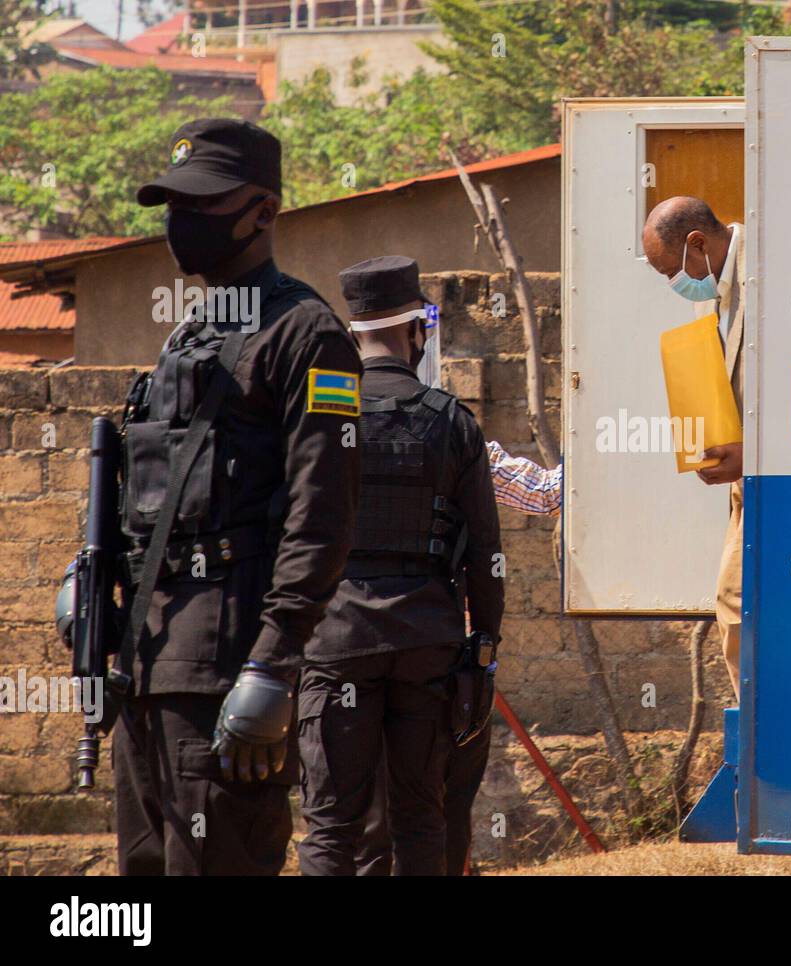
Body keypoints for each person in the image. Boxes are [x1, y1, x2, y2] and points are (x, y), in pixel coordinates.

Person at [112, 118, 362, 875]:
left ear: (264, 211)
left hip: (226, 664)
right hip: (145, 658)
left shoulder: (307, 334)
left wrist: (273, 665)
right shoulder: (190, 334)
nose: (182, 223)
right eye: (174, 205)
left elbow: (324, 514)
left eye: (203, 204)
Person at [296, 255, 504, 876]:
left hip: (336, 642)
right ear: (418, 332)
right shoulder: (452, 423)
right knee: (421, 817)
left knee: (332, 824)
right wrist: (483, 645)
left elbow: (293, 534)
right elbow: (486, 555)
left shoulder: (319, 416)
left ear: (354, 333)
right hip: (426, 644)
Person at [356, 440, 562, 876]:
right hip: (443, 655)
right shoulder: (458, 439)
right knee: (439, 809)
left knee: (359, 814)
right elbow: (546, 493)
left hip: (350, 650)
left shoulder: (330, 435)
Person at [642, 197, 746, 698]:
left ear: (697, 243)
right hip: (747, 484)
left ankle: (759, 735)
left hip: (775, 477)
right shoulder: (718, 293)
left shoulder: (769, 274)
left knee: (735, 602)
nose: (673, 285)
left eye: (670, 271)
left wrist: (755, 455)